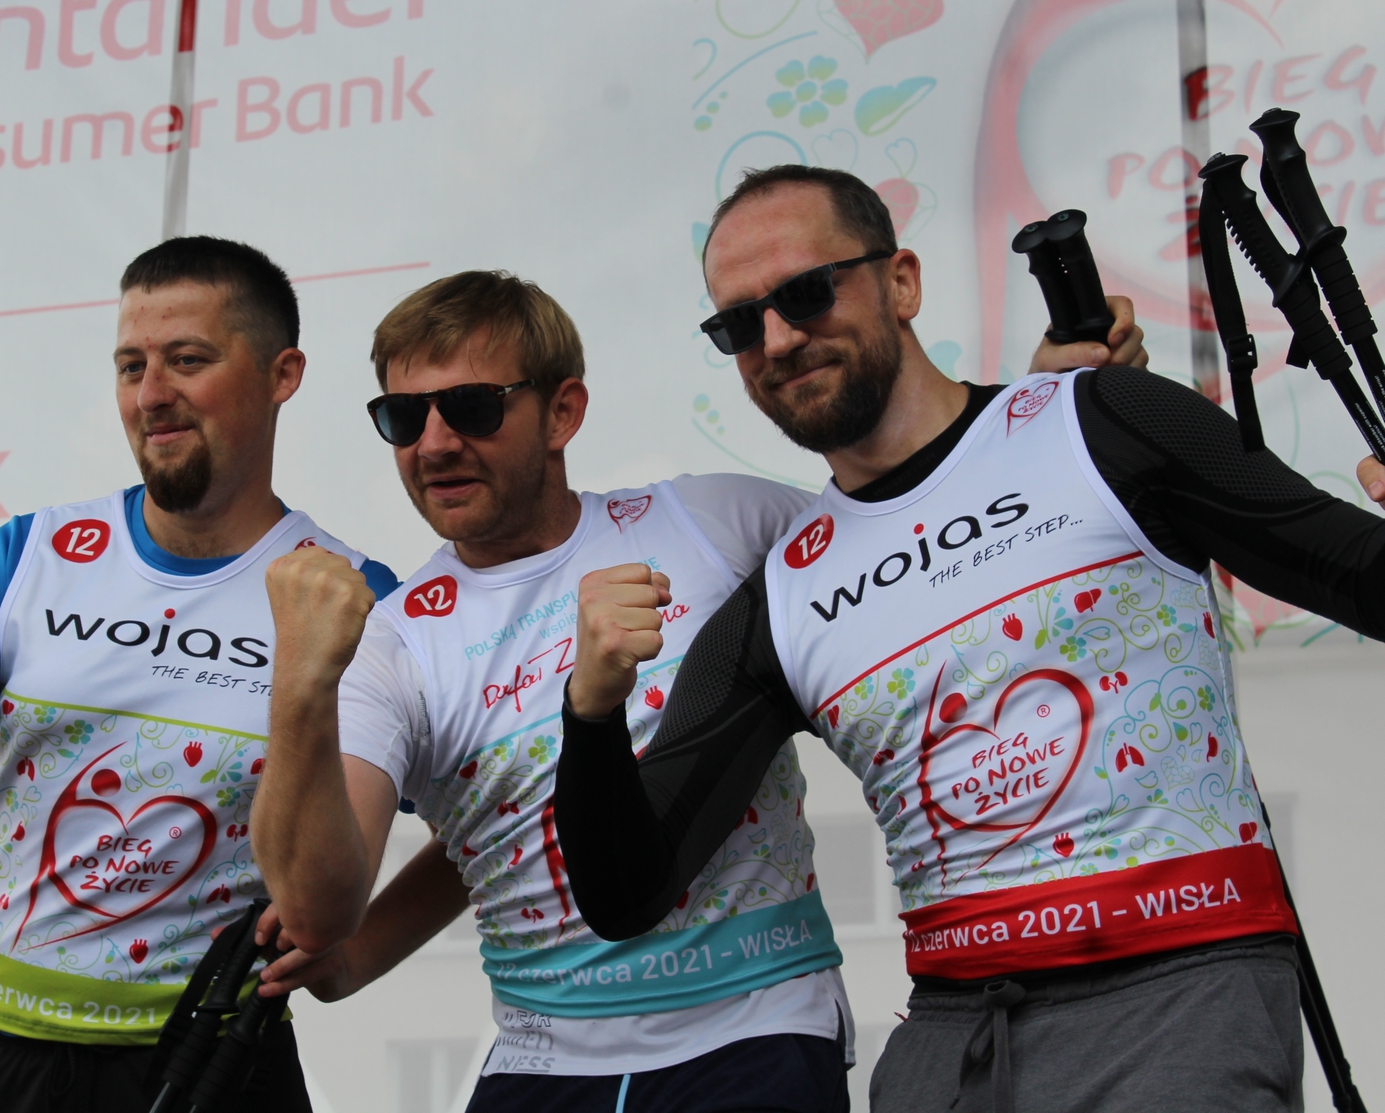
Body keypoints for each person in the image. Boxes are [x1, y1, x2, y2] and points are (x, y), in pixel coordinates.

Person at [550, 164, 1385, 1113]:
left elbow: (1358, 575)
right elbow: (627, 892)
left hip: (1178, 991)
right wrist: (591, 710)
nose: (777, 339)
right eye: (740, 323)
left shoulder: (1102, 419)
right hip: (952, 1042)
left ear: (902, 282)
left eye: (807, 292)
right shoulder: (779, 598)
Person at [248, 264, 1142, 1112]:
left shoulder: (714, 522)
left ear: (563, 412)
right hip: (543, 1055)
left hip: (754, 1024)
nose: (436, 442)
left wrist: (1032, 420)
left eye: (473, 407)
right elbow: (467, 835)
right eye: (404, 417)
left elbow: (929, 551)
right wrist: (300, 688)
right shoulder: (398, 639)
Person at [0, 237, 397, 1113]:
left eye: (188, 360)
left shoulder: (353, 596)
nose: (151, 394)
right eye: (131, 365)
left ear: (282, 374)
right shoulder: (28, 556)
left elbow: (453, 836)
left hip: (205, 1064)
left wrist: (357, 957)